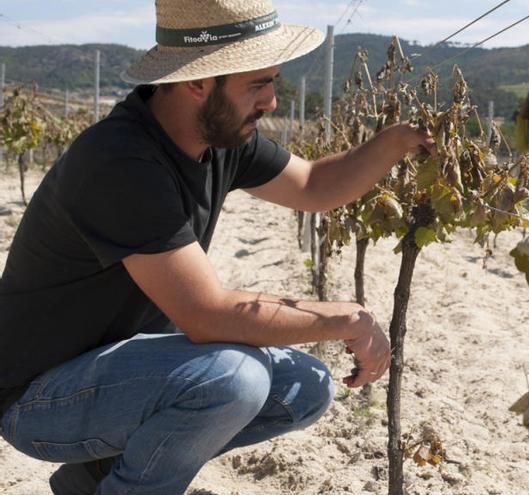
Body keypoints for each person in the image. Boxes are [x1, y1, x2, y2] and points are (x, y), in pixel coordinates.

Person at [0, 1, 433, 493]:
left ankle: (93, 477)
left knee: (302, 386)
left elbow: (313, 185)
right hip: (37, 395)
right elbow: (206, 314)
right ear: (197, 82)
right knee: (231, 379)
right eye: (258, 84)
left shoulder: (219, 137)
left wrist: (395, 141)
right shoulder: (121, 161)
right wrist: (345, 319)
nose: (271, 100)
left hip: (121, 368)